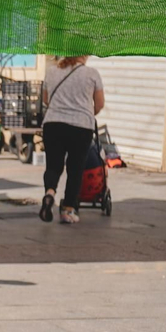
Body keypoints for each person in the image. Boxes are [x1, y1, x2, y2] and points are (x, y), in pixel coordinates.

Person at [39, 55, 106, 225]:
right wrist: (85, 112)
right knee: (75, 169)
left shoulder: (52, 71)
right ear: (83, 55)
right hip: (80, 127)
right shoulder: (92, 74)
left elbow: (46, 100)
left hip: (53, 124)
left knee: (53, 165)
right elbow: (99, 104)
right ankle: (67, 211)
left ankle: (50, 193)